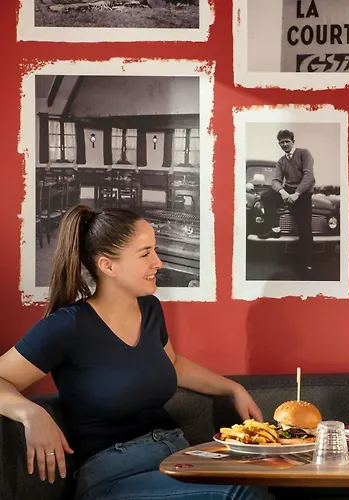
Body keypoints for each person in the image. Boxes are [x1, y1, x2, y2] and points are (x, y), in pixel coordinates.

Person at [0, 205, 273, 500]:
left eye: (154, 250)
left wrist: (232, 388)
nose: (158, 262)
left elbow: (172, 363)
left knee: (259, 478)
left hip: (174, 455)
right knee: (240, 493)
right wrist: (31, 412)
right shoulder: (67, 325)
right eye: (145, 254)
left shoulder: (150, 308)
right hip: (114, 474)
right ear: (108, 266)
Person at [258, 129, 316, 275]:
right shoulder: (281, 161)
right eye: (281, 142)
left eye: (287, 141)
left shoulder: (304, 154)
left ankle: (307, 264)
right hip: (288, 191)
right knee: (267, 196)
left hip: (303, 193)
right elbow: (275, 181)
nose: (284, 144)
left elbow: (309, 176)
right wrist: (282, 192)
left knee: (304, 227)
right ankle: (275, 229)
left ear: (293, 142)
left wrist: (297, 194)